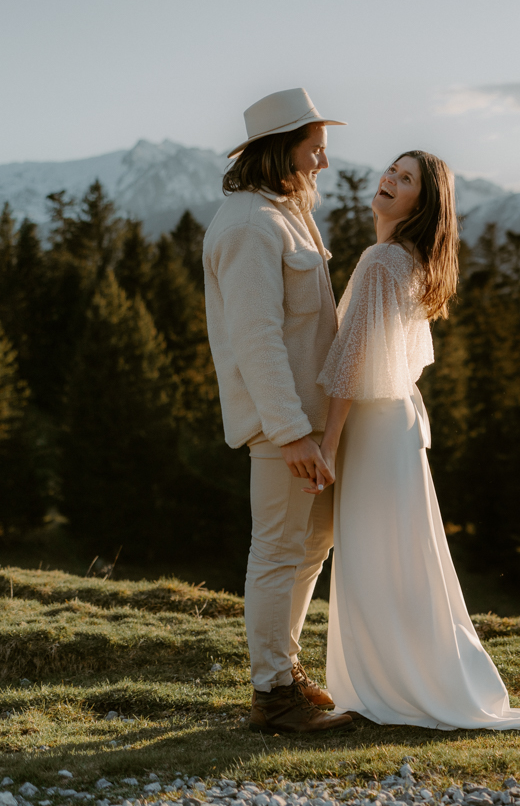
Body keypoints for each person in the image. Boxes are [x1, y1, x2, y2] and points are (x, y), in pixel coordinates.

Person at [312, 150, 520, 732]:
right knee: (401, 554)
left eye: (405, 180)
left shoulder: (383, 261)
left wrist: (326, 445)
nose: (389, 180)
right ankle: (413, 677)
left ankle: (391, 685)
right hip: (399, 423)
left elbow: (350, 363)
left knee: (376, 555)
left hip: (376, 427)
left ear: (421, 203)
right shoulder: (410, 259)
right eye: (392, 170)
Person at [202, 87, 353, 734]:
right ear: (280, 150)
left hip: (312, 420)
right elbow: (255, 339)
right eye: (314, 146)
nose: (323, 159)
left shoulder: (285, 214)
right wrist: (291, 432)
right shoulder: (248, 226)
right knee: (277, 549)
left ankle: (284, 673)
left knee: (311, 545)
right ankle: (272, 693)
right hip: (284, 425)